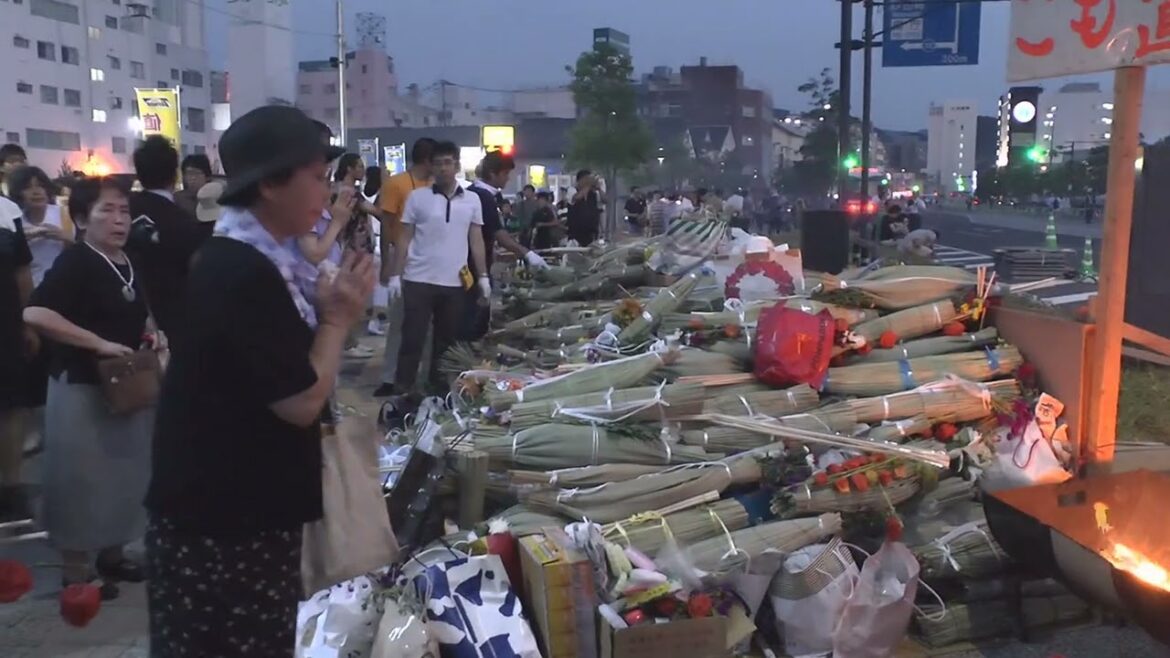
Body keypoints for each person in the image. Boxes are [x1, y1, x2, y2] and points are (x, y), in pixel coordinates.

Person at [144, 105, 373, 655]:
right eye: (317, 178)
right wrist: (337, 319)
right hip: (224, 528)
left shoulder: (252, 260)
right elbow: (299, 401)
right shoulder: (243, 274)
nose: (329, 194)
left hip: (228, 514)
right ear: (270, 184)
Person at [23, 176, 161, 599]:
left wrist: (153, 333)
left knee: (126, 474)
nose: (118, 220)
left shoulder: (128, 259)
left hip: (127, 386)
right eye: (107, 211)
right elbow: (35, 313)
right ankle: (76, 573)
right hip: (82, 386)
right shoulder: (77, 261)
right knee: (80, 481)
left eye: (123, 211)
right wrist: (97, 343)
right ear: (81, 218)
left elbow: (139, 311)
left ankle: (114, 554)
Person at [385, 141, 487, 397]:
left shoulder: (472, 200)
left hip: (454, 281)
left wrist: (483, 276)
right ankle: (403, 390)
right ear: (431, 166)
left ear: (457, 165)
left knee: (446, 342)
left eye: (448, 162)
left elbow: (476, 240)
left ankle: (437, 392)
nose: (443, 168)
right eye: (438, 163)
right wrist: (396, 275)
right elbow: (404, 238)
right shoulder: (417, 198)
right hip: (418, 279)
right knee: (412, 339)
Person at [127, 136, 212, 348]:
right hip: (173, 320)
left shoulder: (121, 211)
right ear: (175, 175)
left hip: (125, 314)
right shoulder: (184, 221)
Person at [372, 138, 436, 399]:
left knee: (431, 326)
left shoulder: (437, 188)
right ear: (427, 161)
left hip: (430, 263)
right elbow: (387, 224)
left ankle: (425, 378)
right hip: (403, 261)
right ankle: (390, 377)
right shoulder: (396, 184)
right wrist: (387, 264)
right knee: (399, 322)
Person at [464, 151, 550, 340]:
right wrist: (526, 254)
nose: (507, 179)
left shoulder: (474, 193)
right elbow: (499, 234)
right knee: (475, 318)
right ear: (493, 174)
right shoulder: (483, 197)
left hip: (473, 263)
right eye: (505, 174)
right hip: (474, 266)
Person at [0, 192, 33, 521]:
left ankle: (11, 487)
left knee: (11, 405)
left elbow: (23, 271)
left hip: (5, 322)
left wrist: (27, 320)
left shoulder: (7, 210)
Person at [8, 166, 72, 286]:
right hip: (28, 289)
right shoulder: (13, 221)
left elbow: (88, 251)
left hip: (65, 286)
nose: (36, 192)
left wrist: (65, 237)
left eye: (40, 185)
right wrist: (18, 241)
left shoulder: (66, 214)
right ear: (18, 193)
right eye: (27, 187)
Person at [567, 169, 602, 246]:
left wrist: (599, 188)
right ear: (581, 179)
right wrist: (588, 185)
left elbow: (605, 200)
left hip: (591, 231)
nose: (588, 181)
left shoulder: (593, 193)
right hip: (576, 232)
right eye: (587, 179)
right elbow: (576, 198)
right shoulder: (572, 190)